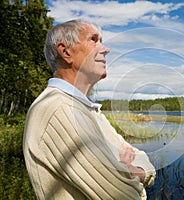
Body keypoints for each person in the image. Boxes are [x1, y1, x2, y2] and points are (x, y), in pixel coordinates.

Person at [23, 19, 156, 200]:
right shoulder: (59, 110)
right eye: (94, 40)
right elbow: (125, 195)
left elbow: (138, 156)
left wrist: (130, 171)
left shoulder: (88, 109)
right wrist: (132, 172)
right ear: (66, 52)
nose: (105, 49)